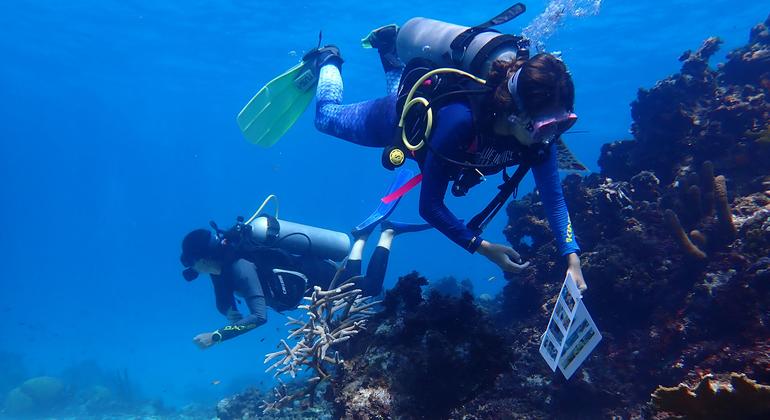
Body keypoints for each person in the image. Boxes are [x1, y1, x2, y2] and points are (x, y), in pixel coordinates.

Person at [303, 17, 587, 291]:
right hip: (393, 122)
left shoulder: (539, 139)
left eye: (562, 124)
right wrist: (482, 248)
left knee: (403, 92)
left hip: (426, 132)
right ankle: (328, 59)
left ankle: (388, 47)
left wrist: (571, 257)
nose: (551, 137)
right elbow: (430, 206)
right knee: (325, 118)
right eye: (546, 127)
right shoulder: (460, 120)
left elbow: (554, 198)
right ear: (516, 112)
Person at [180, 174, 431, 349]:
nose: (191, 269)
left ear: (202, 259)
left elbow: (259, 317)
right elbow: (222, 300)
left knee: (369, 288)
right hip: (307, 276)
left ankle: (388, 232)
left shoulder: (239, 268)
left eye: (191, 262)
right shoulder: (218, 269)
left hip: (313, 275)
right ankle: (361, 236)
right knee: (352, 285)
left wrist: (217, 336)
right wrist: (227, 311)